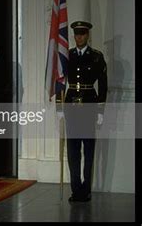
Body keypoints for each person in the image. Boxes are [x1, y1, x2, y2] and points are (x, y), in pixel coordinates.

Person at [57, 21, 107, 202]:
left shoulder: (96, 57)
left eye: (82, 34)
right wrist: (58, 107)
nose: (79, 37)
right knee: (73, 150)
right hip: (71, 105)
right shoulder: (67, 55)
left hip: (89, 104)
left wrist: (100, 110)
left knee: (89, 149)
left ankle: (86, 190)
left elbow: (103, 84)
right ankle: (75, 189)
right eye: (76, 34)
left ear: (88, 35)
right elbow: (60, 80)